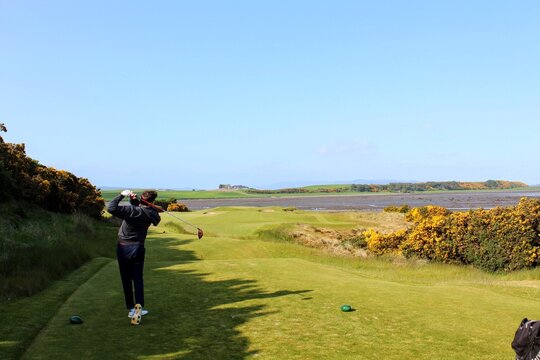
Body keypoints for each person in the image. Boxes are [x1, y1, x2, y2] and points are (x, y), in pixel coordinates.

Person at [107, 189, 161, 325]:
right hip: (137, 248)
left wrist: (121, 195)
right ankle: (139, 306)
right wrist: (137, 201)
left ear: (142, 199)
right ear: (152, 201)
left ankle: (131, 309)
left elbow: (111, 208)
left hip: (123, 247)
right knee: (137, 279)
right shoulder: (153, 214)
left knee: (126, 279)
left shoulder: (130, 210)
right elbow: (147, 212)